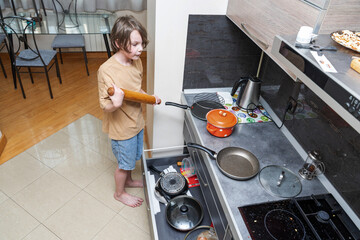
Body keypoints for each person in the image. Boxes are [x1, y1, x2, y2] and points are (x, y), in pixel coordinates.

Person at [97, 15, 160, 208]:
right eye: (134, 44)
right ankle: (119, 192)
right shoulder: (106, 70)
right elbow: (104, 105)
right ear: (118, 42)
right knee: (124, 164)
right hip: (121, 128)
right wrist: (115, 103)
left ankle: (130, 182)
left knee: (133, 157)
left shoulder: (136, 61)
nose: (140, 49)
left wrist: (149, 97)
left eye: (141, 43)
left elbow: (135, 90)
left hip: (137, 122)